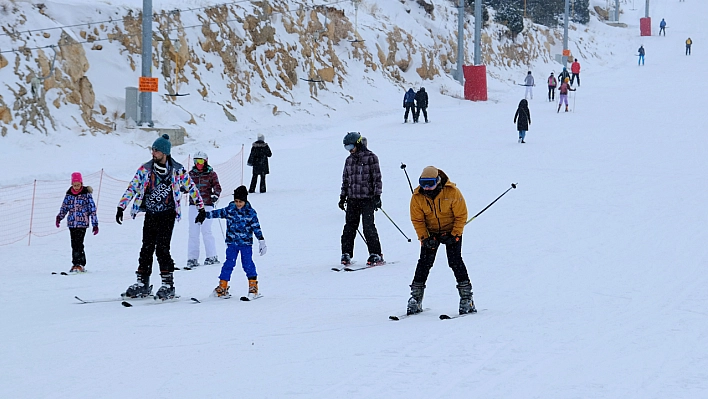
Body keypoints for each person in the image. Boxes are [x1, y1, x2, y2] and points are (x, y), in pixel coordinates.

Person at [116, 134, 205, 300]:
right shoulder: (146, 169)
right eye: (152, 150)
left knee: (162, 248)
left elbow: (191, 187)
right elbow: (132, 187)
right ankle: (142, 282)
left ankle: (168, 284)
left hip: (168, 214)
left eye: (156, 150)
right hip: (151, 213)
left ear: (165, 152)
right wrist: (121, 206)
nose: (153, 153)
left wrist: (201, 207)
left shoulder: (177, 170)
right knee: (146, 247)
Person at [406, 166, 475, 316]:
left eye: (430, 183)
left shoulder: (452, 192)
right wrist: (425, 237)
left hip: (451, 231)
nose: (427, 188)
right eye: (423, 183)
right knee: (424, 263)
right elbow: (417, 219)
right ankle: (416, 297)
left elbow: (461, 215)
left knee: (455, 261)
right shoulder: (417, 196)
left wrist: (455, 235)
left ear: (438, 181)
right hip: (431, 233)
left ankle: (467, 298)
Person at [196, 186, 266, 300]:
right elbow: (218, 213)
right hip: (232, 243)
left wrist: (261, 240)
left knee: (247, 264)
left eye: (240, 201)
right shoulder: (230, 209)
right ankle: (222, 287)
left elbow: (256, 227)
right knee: (228, 264)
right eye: (236, 201)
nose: (238, 204)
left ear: (245, 200)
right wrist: (204, 215)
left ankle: (253, 287)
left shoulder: (250, 213)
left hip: (245, 244)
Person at [339, 132, 384, 266]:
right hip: (352, 199)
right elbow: (345, 180)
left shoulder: (371, 158)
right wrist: (342, 197)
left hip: (367, 199)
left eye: (351, 147)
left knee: (368, 227)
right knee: (349, 228)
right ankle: (346, 253)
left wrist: (377, 196)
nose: (349, 150)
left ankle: (376, 253)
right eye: (346, 148)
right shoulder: (349, 160)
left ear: (358, 144)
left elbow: (377, 178)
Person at [56, 172, 98, 273]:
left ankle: (80, 264)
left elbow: (92, 209)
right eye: (74, 185)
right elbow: (64, 207)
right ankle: (75, 264)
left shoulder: (86, 195)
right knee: (74, 244)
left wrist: (95, 224)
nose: (76, 187)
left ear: (81, 183)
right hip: (72, 223)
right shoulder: (69, 195)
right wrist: (59, 217)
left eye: (78, 185)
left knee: (79, 243)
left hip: (82, 223)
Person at [187, 151, 222, 269]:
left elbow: (217, 187)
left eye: (201, 161)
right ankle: (192, 258)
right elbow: (185, 185)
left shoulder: (211, 174)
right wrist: (183, 188)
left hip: (207, 204)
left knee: (206, 230)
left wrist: (215, 195)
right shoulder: (191, 174)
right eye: (196, 161)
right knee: (193, 232)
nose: (198, 164)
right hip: (194, 205)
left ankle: (211, 256)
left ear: (206, 161)